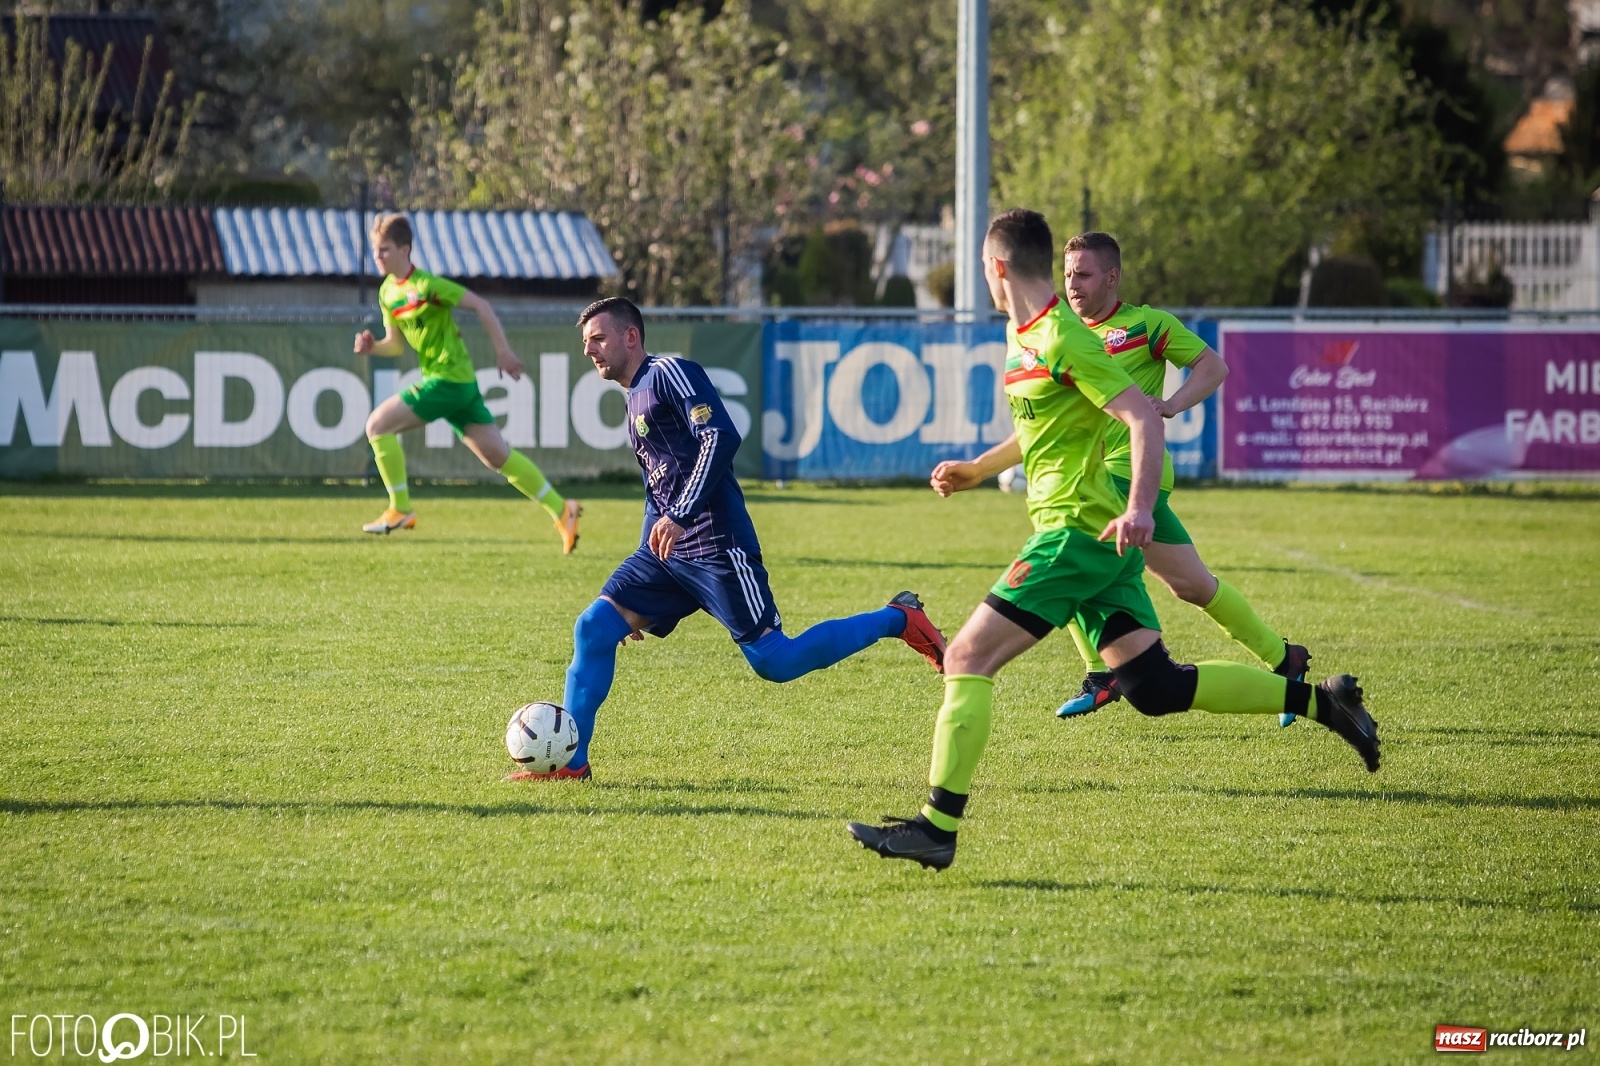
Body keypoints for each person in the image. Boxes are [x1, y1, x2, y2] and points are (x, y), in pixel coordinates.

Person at [846, 209, 1380, 871]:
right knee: (1152, 688)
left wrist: (1138, 509)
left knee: (965, 660)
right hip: (1091, 536)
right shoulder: (1026, 336)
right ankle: (1323, 703)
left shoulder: (1063, 339)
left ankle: (937, 825)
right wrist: (978, 469)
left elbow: (1141, 420)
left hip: (1076, 534)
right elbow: (1047, 428)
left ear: (996, 267)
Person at [509, 297, 948, 781]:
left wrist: (680, 515)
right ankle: (571, 763)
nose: (590, 350)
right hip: (668, 553)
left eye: (598, 338)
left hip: (717, 544)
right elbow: (660, 488)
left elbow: (720, 436)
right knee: (594, 627)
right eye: (586, 341)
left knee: (776, 662)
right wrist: (636, 591)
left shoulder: (671, 372)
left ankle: (898, 618)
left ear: (631, 336)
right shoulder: (633, 397)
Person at [1055, 231, 1309, 726]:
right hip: (1091, 476)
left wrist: (1169, 405)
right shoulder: (1063, 331)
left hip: (1132, 473)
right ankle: (1285, 659)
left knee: (1062, 556)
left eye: (1083, 274)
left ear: (1112, 276)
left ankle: (1101, 675)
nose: (1073, 285)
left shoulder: (1146, 325)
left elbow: (1213, 366)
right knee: (1192, 585)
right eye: (1066, 275)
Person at [354, 212, 582, 551]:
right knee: (497, 455)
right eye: (375, 250)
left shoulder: (427, 285)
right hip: (457, 384)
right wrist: (374, 348)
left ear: (405, 249)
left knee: (377, 426)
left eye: (385, 249)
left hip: (448, 379)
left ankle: (400, 508)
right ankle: (563, 510)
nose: (378, 257)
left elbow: (481, 305)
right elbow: (396, 344)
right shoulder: (387, 292)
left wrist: (503, 352)